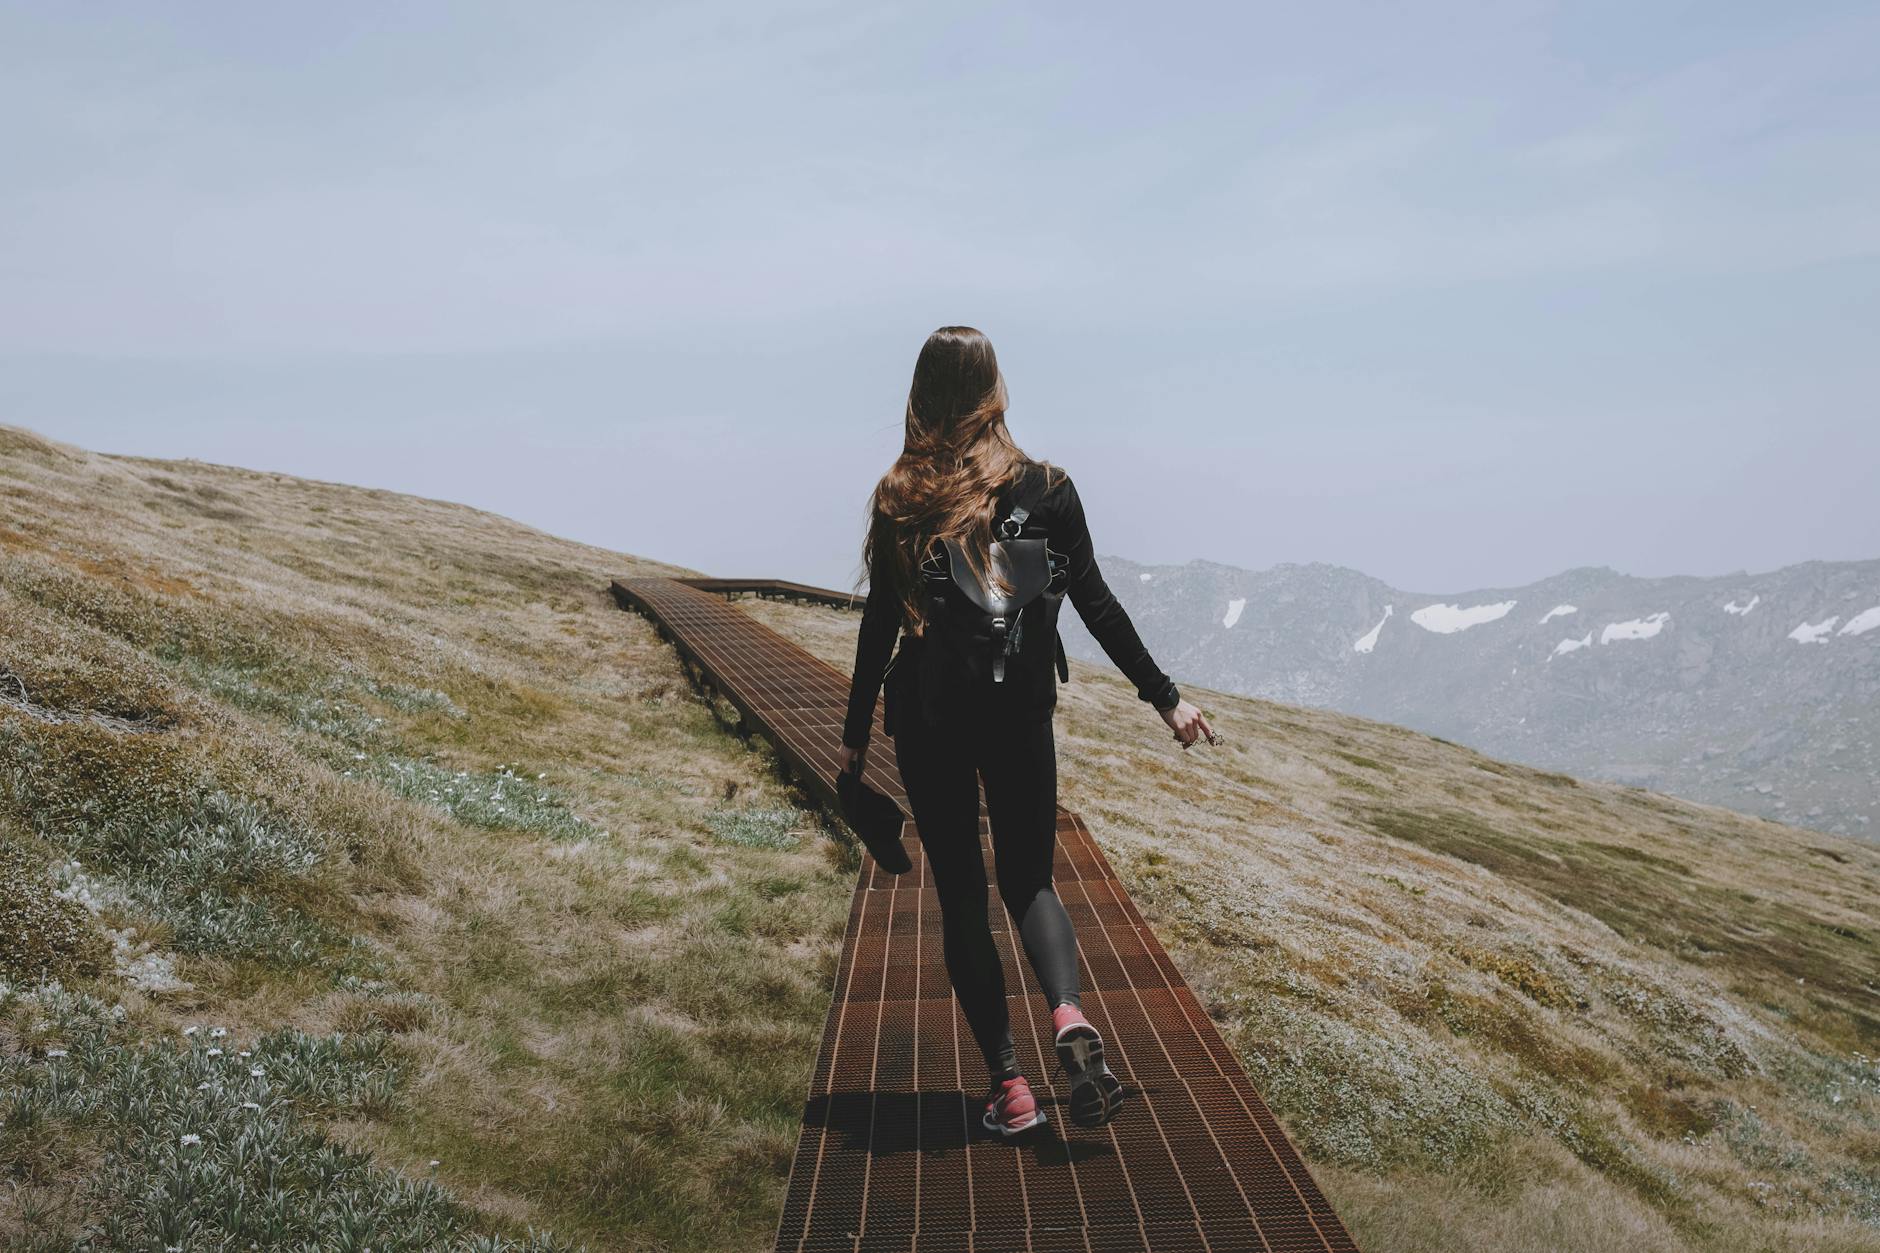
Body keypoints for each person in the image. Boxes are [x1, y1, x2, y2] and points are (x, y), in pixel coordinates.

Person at [837, 325, 1217, 1138]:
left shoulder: (901, 497)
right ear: (994, 391)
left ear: (923, 393)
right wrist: (1167, 699)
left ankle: (1010, 1088)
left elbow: (878, 626)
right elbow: (1098, 604)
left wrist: (852, 735)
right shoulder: (1045, 488)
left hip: (932, 721)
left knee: (965, 901)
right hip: (1018, 714)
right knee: (1031, 884)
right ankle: (1071, 1017)